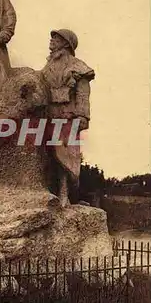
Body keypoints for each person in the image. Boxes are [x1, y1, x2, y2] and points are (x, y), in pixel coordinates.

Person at [41, 29, 95, 207]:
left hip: (68, 115)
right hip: (49, 115)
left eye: (55, 38)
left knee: (65, 154)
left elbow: (83, 94)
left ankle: (65, 194)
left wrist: (83, 116)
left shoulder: (77, 66)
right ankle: (50, 192)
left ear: (66, 43)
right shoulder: (47, 68)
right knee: (48, 153)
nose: (51, 41)